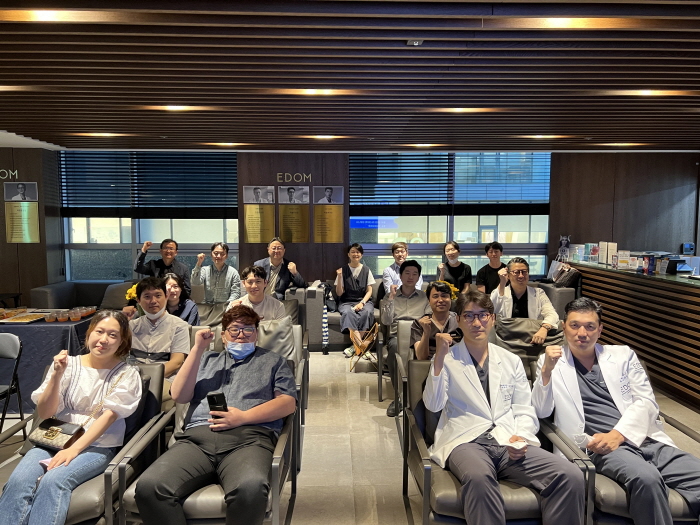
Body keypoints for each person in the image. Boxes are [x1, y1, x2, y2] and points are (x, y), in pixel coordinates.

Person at [532, 297, 700, 525]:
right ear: (564, 327)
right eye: (574, 325)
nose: (582, 332)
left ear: (600, 329)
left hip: (643, 439)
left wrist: (619, 435)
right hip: (600, 447)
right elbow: (541, 412)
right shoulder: (551, 362)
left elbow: (647, 402)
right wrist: (546, 372)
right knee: (647, 479)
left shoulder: (623, 356)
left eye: (590, 326)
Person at [423, 290, 585, 525]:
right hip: (466, 440)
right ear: (457, 319)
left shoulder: (511, 360)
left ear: (493, 319)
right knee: (479, 477)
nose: (476, 322)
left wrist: (523, 437)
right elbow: (434, 404)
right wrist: (438, 359)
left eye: (482, 315)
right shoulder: (447, 359)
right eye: (468, 316)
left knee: (570, 475)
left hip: (508, 441)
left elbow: (524, 407)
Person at [134, 305, 297, 525]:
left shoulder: (274, 362)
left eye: (248, 329)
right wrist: (197, 349)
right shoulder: (205, 359)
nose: (241, 335)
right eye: (234, 330)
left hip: (249, 440)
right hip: (196, 441)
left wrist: (243, 418)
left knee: (250, 489)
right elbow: (179, 395)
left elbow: (287, 403)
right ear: (223, 335)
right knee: (149, 487)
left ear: (257, 334)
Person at [0, 310, 142, 525]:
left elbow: (108, 417)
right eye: (99, 331)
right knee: (18, 481)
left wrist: (74, 449)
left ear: (122, 341)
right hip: (55, 437)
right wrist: (56, 375)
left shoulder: (126, 373)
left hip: (97, 444)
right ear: (89, 333)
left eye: (113, 335)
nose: (104, 340)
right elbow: (46, 413)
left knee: (53, 481)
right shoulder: (70, 364)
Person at [125, 277, 190, 409]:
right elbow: (118, 355)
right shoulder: (131, 325)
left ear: (166, 297)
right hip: (132, 378)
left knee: (142, 397)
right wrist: (122, 324)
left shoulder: (179, 326)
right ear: (138, 300)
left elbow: (176, 362)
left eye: (158, 295)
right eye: (147, 296)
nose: (153, 301)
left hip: (164, 379)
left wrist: (147, 378)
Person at [380, 260, 430, 416]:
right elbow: (386, 321)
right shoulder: (390, 296)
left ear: (418, 277)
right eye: (407, 273)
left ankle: (424, 395)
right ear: (400, 276)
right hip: (396, 335)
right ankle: (400, 397)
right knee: (395, 348)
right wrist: (391, 299)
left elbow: (429, 317)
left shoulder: (425, 297)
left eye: (415, 274)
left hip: (418, 335)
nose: (411, 277)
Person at [491, 257, 559, 345]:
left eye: (524, 272)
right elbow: (492, 309)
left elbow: (552, 314)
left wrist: (544, 328)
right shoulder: (501, 292)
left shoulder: (538, 293)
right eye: (516, 272)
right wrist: (502, 283)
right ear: (508, 275)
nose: (521, 275)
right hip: (507, 340)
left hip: (532, 338)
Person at [336, 243, 375, 356]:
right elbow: (339, 293)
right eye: (353, 251)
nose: (355, 254)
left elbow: (369, 291)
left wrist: (362, 303)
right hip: (346, 301)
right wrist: (339, 277)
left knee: (367, 312)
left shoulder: (367, 270)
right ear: (348, 254)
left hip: (364, 300)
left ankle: (356, 347)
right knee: (348, 312)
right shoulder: (342, 270)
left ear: (361, 255)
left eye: (358, 252)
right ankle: (362, 347)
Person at [192, 242, 241, 326]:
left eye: (222, 254)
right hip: (207, 307)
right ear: (211, 254)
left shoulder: (233, 272)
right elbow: (195, 282)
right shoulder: (205, 270)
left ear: (226, 256)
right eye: (216, 253)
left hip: (224, 308)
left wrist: (227, 307)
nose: (218, 256)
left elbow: (235, 293)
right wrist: (199, 263)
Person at [123, 273, 200, 326]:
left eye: (175, 287)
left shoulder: (190, 306)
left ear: (181, 289)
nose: (172, 291)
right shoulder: (155, 305)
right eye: (168, 287)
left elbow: (192, 329)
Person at [411, 281, 460, 361]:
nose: (440, 300)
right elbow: (421, 357)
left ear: (450, 299)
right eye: (435, 296)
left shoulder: (460, 321)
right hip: (429, 367)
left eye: (444, 296)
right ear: (428, 300)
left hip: (456, 366)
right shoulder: (419, 323)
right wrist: (426, 333)